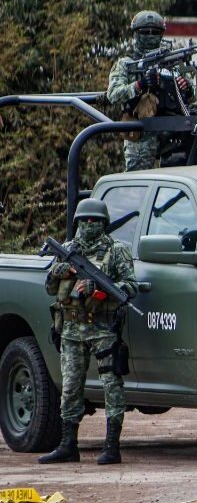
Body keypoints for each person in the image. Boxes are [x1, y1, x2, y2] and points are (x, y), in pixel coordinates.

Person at [39, 199, 138, 465]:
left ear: (104, 223)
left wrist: (98, 288)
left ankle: (111, 446)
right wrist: (59, 271)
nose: (89, 225)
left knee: (111, 386)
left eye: (95, 220)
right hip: (71, 329)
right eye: (85, 220)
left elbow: (130, 287)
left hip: (103, 329)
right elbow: (50, 288)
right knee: (70, 387)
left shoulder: (117, 251)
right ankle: (68, 444)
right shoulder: (68, 250)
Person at [106, 11, 195, 171]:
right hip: (141, 137)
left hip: (173, 135)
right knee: (137, 188)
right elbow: (113, 95)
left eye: (155, 32)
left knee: (175, 186)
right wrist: (140, 85)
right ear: (135, 33)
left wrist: (186, 87)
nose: (151, 36)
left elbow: (192, 95)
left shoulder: (172, 60)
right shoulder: (126, 63)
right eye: (145, 32)